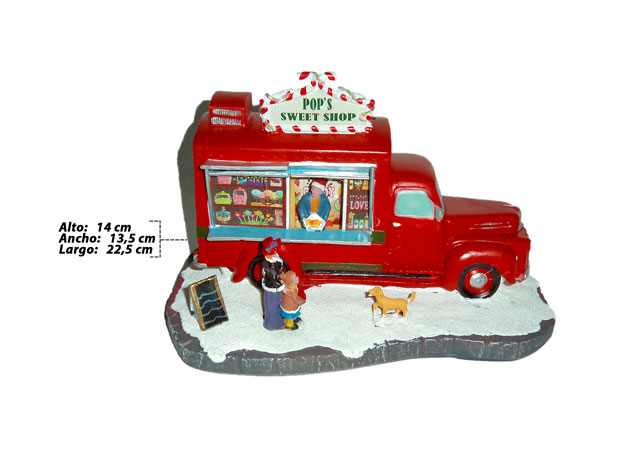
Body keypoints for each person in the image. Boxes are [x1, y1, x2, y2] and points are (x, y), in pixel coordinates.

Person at [261, 237, 286, 330]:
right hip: (273, 288)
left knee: (271, 303)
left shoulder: (268, 261)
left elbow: (264, 272)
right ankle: (274, 324)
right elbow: (274, 278)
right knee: (274, 305)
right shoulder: (272, 264)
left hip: (270, 285)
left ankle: (273, 320)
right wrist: (283, 287)